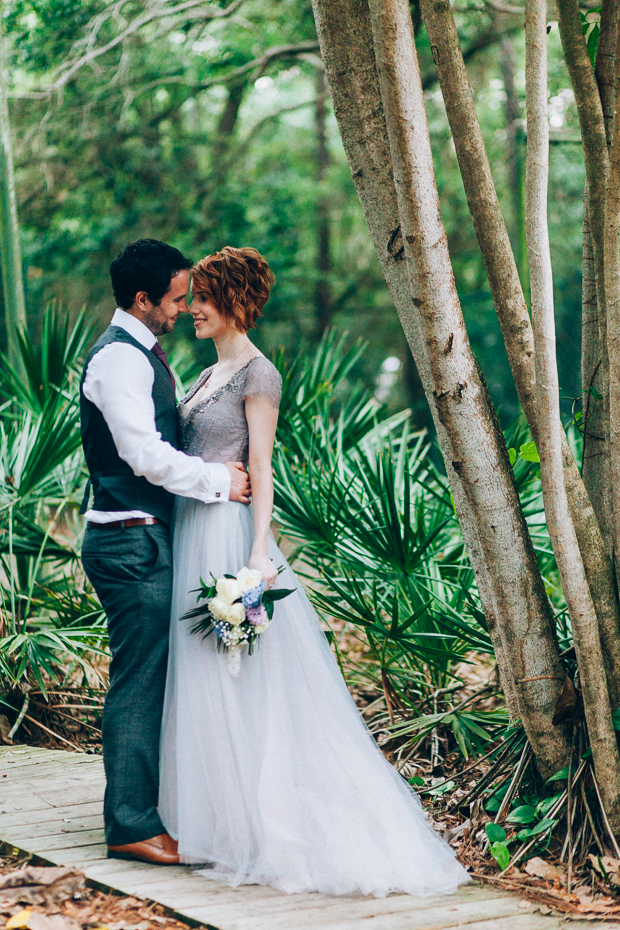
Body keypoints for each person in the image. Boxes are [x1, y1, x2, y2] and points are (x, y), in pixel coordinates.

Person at [158, 246, 470, 897]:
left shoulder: (257, 374)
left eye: (204, 298)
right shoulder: (204, 375)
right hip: (192, 529)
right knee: (201, 672)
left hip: (230, 539)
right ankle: (211, 820)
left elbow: (263, 467)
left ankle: (262, 825)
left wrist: (257, 557)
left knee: (241, 678)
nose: (193, 310)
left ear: (235, 299)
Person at [80, 238, 251, 867]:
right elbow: (143, 454)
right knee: (139, 683)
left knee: (149, 677)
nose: (182, 310)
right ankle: (129, 825)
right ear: (143, 299)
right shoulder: (120, 361)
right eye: (176, 300)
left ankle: (147, 810)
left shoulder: (140, 355)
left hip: (141, 537)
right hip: (129, 541)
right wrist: (219, 482)